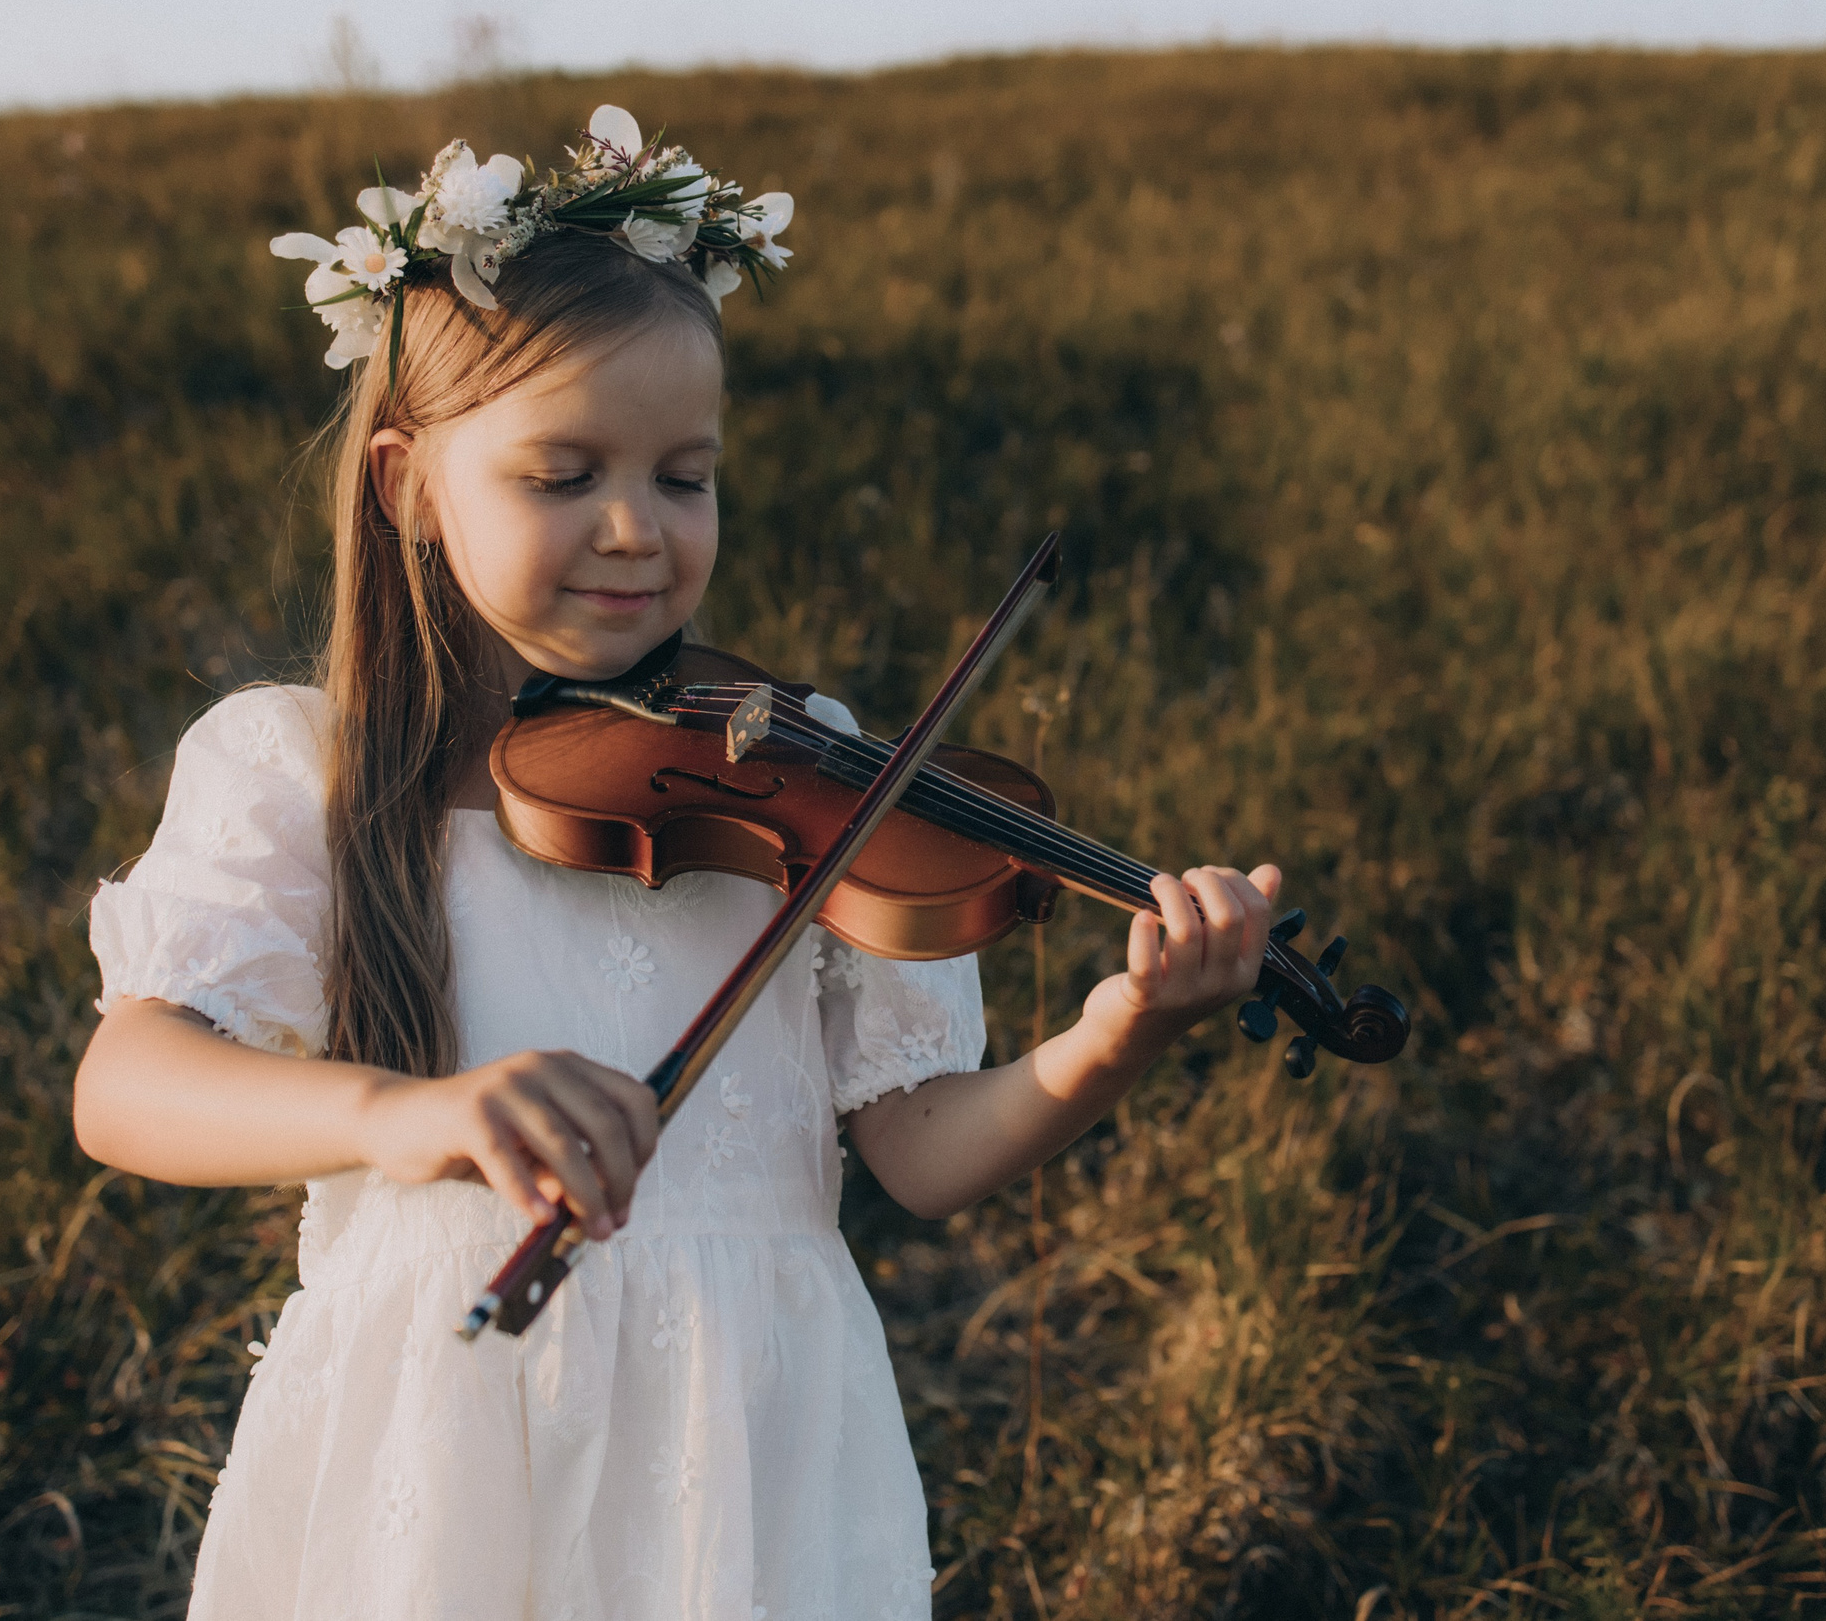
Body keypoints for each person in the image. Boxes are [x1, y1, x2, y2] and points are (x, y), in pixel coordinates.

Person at [71, 106, 1281, 1620]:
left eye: (685, 476)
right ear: (407, 488)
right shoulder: (306, 765)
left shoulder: (807, 772)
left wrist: (1116, 1037)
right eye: (562, 475)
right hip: (441, 1441)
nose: (637, 529)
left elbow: (920, 1151)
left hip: (750, 1447)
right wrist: (410, 1113)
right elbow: (125, 1090)